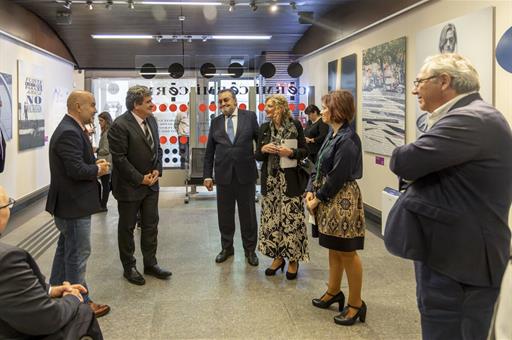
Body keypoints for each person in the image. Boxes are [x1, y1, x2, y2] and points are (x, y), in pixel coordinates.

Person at [385, 53, 512, 340]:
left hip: (460, 263)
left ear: (444, 81)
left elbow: (403, 162)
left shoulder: (471, 120)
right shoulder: (467, 117)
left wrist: (414, 164)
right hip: (450, 254)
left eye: (419, 81)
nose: (415, 89)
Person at [0, 186, 104, 339]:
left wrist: (51, 290)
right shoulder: (7, 260)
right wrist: (73, 298)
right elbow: (48, 319)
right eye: (8, 204)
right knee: (83, 312)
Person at [45, 91, 111, 318]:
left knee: (66, 250)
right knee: (78, 253)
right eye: (91, 105)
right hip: (73, 205)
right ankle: (80, 304)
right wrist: (97, 169)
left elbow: (75, 163)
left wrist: (93, 162)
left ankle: (55, 292)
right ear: (77, 106)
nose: (94, 109)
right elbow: (75, 170)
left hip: (70, 204)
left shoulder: (71, 129)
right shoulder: (68, 132)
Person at [306, 90, 366, 326]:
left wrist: (317, 197)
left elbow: (338, 176)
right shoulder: (333, 134)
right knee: (333, 247)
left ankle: (356, 304)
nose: (321, 111)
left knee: (347, 252)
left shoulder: (349, 139)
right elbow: (318, 166)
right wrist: (311, 188)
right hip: (327, 197)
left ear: (337, 110)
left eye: (325, 107)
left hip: (342, 200)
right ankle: (333, 291)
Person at [108, 85, 172, 285]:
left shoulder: (151, 120)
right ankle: (130, 267)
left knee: (151, 225)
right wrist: (139, 178)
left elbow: (158, 149)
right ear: (136, 104)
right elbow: (119, 159)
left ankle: (150, 264)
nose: (152, 105)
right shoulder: (120, 125)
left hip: (151, 185)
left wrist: (157, 170)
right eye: (148, 102)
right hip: (130, 187)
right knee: (127, 228)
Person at [203, 89, 259, 266]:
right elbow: (209, 151)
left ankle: (250, 250)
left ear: (235, 101)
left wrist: (256, 159)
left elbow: (261, 142)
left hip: (246, 174)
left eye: (226, 100)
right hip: (223, 175)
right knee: (225, 214)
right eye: (219, 101)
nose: (223, 104)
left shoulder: (249, 117)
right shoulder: (216, 122)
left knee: (248, 215)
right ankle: (227, 248)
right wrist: (207, 175)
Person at [255, 95, 309, 279]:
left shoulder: (295, 126)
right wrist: (263, 149)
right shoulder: (264, 128)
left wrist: (291, 152)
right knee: (273, 222)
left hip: (290, 181)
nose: (266, 109)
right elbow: (257, 155)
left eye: (269, 106)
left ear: (280, 107)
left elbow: (304, 151)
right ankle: (278, 258)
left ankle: (293, 259)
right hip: (270, 181)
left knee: (292, 220)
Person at [97, 111, 113, 212]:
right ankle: (102, 205)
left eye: (101, 121)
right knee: (105, 184)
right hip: (105, 162)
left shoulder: (107, 133)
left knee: (105, 185)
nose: (99, 123)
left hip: (105, 162)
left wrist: (97, 149)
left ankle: (103, 205)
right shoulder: (106, 132)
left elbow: (106, 149)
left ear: (106, 121)